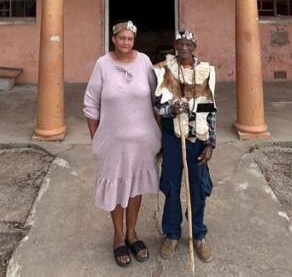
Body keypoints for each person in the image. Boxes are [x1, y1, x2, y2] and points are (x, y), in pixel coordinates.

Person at [84, 20, 162, 268]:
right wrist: (97, 137)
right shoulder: (102, 65)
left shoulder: (144, 62)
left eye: (130, 39)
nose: (126, 43)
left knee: (135, 187)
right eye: (122, 38)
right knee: (117, 189)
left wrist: (158, 132)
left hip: (142, 141)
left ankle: (133, 233)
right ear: (113, 39)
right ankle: (118, 236)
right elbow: (90, 104)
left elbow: (156, 99)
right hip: (112, 143)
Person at [153, 29, 216, 263]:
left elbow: (210, 109)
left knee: (198, 189)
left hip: (197, 140)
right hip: (172, 139)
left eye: (188, 44)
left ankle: (197, 234)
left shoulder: (206, 71)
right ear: (174, 45)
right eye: (180, 44)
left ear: (194, 46)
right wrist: (171, 109)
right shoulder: (162, 70)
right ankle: (172, 233)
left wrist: (210, 143)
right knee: (171, 185)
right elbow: (156, 107)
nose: (184, 48)